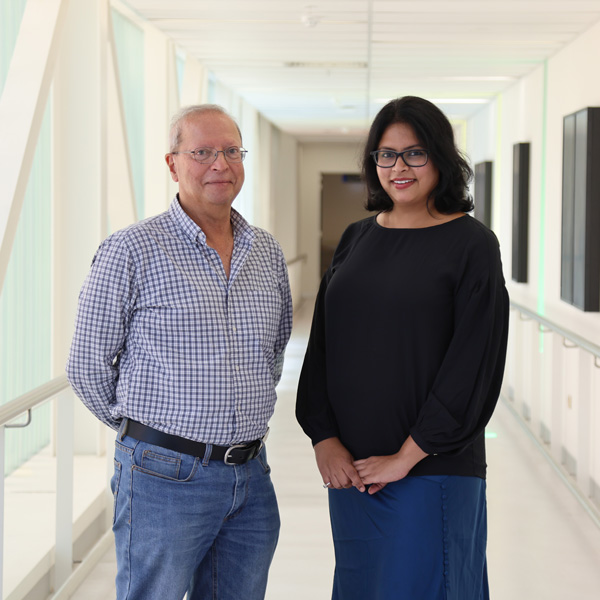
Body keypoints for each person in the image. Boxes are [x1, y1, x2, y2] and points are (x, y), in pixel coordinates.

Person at [66, 104, 293, 600]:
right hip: (163, 480)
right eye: (203, 152)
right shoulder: (132, 250)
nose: (220, 164)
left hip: (251, 477)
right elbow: (86, 366)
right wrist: (145, 436)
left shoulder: (266, 252)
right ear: (173, 163)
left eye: (231, 151)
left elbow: (272, 353)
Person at [296, 96, 509, 599]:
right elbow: (323, 342)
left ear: (441, 158)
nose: (399, 167)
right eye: (386, 155)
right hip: (353, 474)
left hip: (429, 469)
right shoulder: (356, 238)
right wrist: (323, 437)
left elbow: (472, 365)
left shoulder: (472, 245)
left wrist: (406, 456)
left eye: (415, 153)